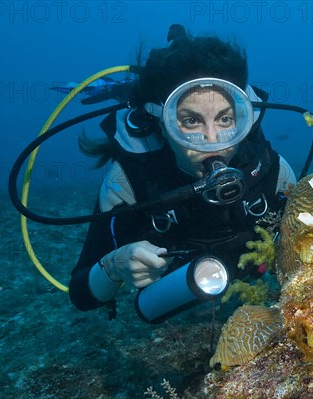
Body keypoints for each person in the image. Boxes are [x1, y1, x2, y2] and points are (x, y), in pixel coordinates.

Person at [69, 25, 296, 320]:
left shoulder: (270, 169)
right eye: (190, 121)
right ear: (161, 123)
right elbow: (81, 295)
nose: (213, 139)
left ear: (244, 117)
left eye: (225, 119)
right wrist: (114, 266)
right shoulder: (129, 181)